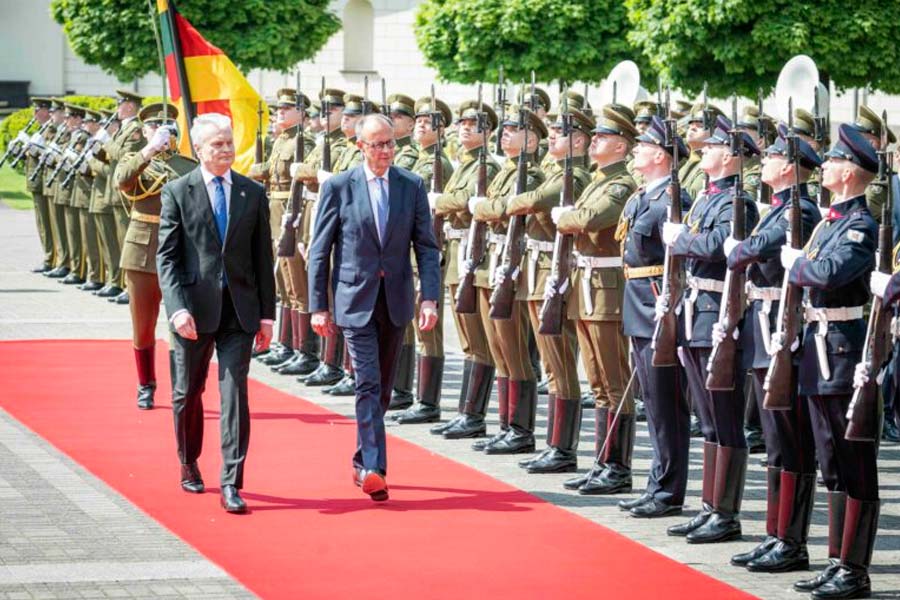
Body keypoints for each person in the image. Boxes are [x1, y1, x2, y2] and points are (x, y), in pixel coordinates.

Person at [307, 113, 441, 501]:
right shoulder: (339, 187)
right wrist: (319, 306)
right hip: (354, 298)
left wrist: (429, 297)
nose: (385, 151)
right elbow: (320, 252)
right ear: (360, 146)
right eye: (377, 144)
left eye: (390, 144)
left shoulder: (411, 186)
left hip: (395, 300)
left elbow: (426, 248)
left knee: (382, 387)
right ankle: (374, 469)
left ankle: (360, 455)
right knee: (366, 381)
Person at [157, 113, 276, 514]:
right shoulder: (178, 191)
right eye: (217, 145)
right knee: (187, 392)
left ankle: (232, 480)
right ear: (199, 150)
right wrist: (176, 311)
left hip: (239, 314)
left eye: (229, 142)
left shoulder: (251, 193)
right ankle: (189, 460)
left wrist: (267, 317)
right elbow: (168, 260)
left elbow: (264, 259)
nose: (226, 150)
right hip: (192, 311)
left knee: (233, 393)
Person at [784, 124, 880, 599]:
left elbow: (828, 272)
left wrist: (793, 264)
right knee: (830, 460)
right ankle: (837, 560)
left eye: (835, 161)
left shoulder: (861, 226)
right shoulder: (829, 221)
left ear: (852, 171)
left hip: (842, 347)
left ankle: (855, 569)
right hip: (818, 346)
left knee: (854, 460)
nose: (825, 167)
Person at [726, 131, 822, 572]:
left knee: (791, 440)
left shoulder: (799, 210)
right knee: (777, 443)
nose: (762, 161)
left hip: (785, 332)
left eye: (772, 156)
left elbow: (753, 252)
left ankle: (792, 541)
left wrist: (737, 249)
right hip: (765, 326)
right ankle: (775, 533)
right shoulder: (780, 208)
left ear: (788, 167)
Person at [663, 115, 760, 543]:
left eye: (713, 147)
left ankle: (726, 513)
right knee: (706, 417)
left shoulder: (739, 201)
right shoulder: (708, 197)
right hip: (695, 309)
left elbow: (719, 248)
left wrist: (679, 239)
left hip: (717, 311)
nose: (704, 150)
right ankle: (710, 506)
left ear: (733, 156)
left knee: (724, 416)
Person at [611, 115, 692, 517]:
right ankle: (656, 483)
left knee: (666, 402)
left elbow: (681, 261)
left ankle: (668, 491)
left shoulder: (675, 199)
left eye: (642, 146)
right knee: (653, 401)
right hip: (637, 300)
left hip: (659, 303)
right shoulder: (643, 196)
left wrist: (672, 306)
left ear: (660, 155)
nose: (636, 150)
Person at [555, 105, 638, 491]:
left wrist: (566, 216)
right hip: (585, 284)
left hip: (607, 289)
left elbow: (589, 219)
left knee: (615, 381)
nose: (595, 141)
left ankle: (619, 467)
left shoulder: (620, 184)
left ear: (620, 146)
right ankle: (603, 461)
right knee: (597, 383)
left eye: (603, 137)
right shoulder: (597, 179)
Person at [117, 103, 198, 410]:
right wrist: (149, 150)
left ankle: (182, 387)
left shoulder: (187, 166)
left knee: (180, 322)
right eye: (154, 127)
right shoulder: (134, 160)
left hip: (178, 252)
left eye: (167, 127)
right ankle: (146, 384)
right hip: (141, 250)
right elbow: (122, 181)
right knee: (142, 324)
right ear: (145, 131)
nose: (162, 131)